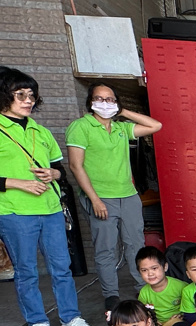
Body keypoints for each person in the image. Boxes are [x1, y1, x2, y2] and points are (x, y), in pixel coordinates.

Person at [0, 66, 95, 326]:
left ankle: (71, 318)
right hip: (16, 213)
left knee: (62, 268)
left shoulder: (41, 131)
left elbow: (61, 171)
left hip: (50, 210)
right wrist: (17, 183)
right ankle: (37, 323)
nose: (28, 100)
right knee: (26, 271)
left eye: (31, 95)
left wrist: (54, 174)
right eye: (20, 95)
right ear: (2, 96)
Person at [66, 84, 162, 310]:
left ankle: (143, 288)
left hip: (128, 196)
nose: (105, 103)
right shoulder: (80, 127)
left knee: (136, 244)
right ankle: (111, 294)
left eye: (110, 99)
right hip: (100, 197)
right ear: (90, 102)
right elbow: (75, 166)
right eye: (99, 99)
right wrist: (95, 200)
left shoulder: (121, 128)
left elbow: (155, 125)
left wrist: (123, 111)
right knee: (106, 249)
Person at [136, 246, 186, 326]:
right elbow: (144, 312)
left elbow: (192, 307)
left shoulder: (181, 286)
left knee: (176, 324)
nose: (150, 273)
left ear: (165, 267)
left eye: (154, 268)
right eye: (144, 270)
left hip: (177, 323)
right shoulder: (144, 292)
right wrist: (150, 320)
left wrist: (183, 315)